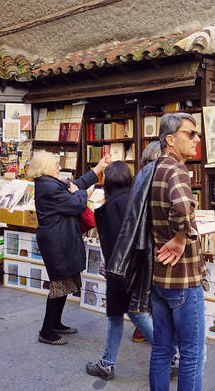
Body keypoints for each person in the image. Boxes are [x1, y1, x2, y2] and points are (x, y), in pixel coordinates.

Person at [148, 113, 207, 391]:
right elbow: (183, 207)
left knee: (161, 349)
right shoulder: (176, 170)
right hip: (183, 278)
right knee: (191, 354)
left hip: (159, 275)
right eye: (191, 134)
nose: (197, 139)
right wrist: (182, 237)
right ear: (170, 140)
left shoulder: (153, 168)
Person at [30, 150, 111, 345]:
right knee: (59, 284)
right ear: (46, 167)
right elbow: (77, 203)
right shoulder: (50, 188)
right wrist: (80, 193)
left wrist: (99, 167)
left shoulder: (50, 183)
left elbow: (78, 185)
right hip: (57, 243)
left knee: (65, 283)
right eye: (55, 164)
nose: (59, 167)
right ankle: (46, 331)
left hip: (61, 240)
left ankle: (56, 323)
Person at [86, 161, 155, 380]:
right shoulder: (138, 201)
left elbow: (112, 243)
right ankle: (107, 362)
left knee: (130, 315)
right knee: (128, 314)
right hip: (141, 266)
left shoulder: (106, 210)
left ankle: (172, 354)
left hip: (120, 271)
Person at [131, 140, 161, 344]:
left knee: (145, 289)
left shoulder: (138, 177)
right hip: (152, 240)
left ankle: (142, 330)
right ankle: (150, 331)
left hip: (141, 241)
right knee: (152, 290)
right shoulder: (155, 177)